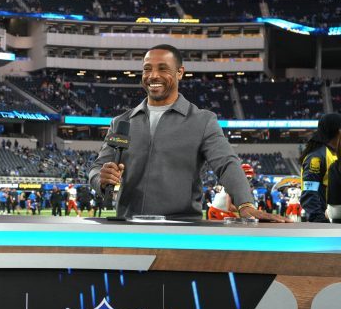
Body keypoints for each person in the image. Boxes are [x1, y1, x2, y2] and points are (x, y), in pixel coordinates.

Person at [89, 44, 285, 222]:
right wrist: (101, 179)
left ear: (180, 72)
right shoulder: (121, 122)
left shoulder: (202, 121)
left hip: (182, 229)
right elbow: (97, 168)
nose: (153, 75)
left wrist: (245, 204)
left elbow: (226, 163)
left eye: (163, 69)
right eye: (147, 69)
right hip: (128, 229)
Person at [299, 113, 341, 223]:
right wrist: (320, 220)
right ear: (338, 131)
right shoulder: (316, 157)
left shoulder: (336, 153)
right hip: (327, 223)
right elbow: (309, 192)